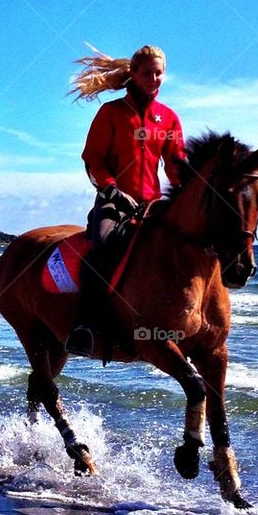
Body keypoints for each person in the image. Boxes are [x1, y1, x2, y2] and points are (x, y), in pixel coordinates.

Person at [66, 44, 185, 356]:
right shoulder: (111, 113)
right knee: (102, 245)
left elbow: (174, 164)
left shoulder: (169, 118)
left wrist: (192, 188)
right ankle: (85, 326)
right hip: (113, 204)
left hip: (154, 205)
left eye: (159, 73)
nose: (154, 78)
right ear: (133, 74)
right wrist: (110, 191)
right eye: (148, 73)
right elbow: (92, 159)